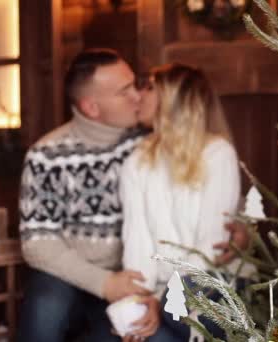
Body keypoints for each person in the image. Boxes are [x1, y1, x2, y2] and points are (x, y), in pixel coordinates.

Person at [17, 50, 247, 341]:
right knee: (46, 307)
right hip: (83, 274)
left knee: (160, 317)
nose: (137, 95)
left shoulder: (152, 142)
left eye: (139, 85)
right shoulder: (48, 155)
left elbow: (220, 210)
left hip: (157, 281)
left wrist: (243, 230)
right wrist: (111, 285)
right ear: (92, 107)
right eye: (125, 90)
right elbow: (38, 244)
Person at [119, 63, 252, 341]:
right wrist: (142, 298)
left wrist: (160, 298)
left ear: (174, 99)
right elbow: (137, 238)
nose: (139, 95)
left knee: (173, 306)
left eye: (150, 87)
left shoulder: (217, 153)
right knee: (143, 330)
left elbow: (210, 246)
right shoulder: (136, 160)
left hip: (211, 279)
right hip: (164, 294)